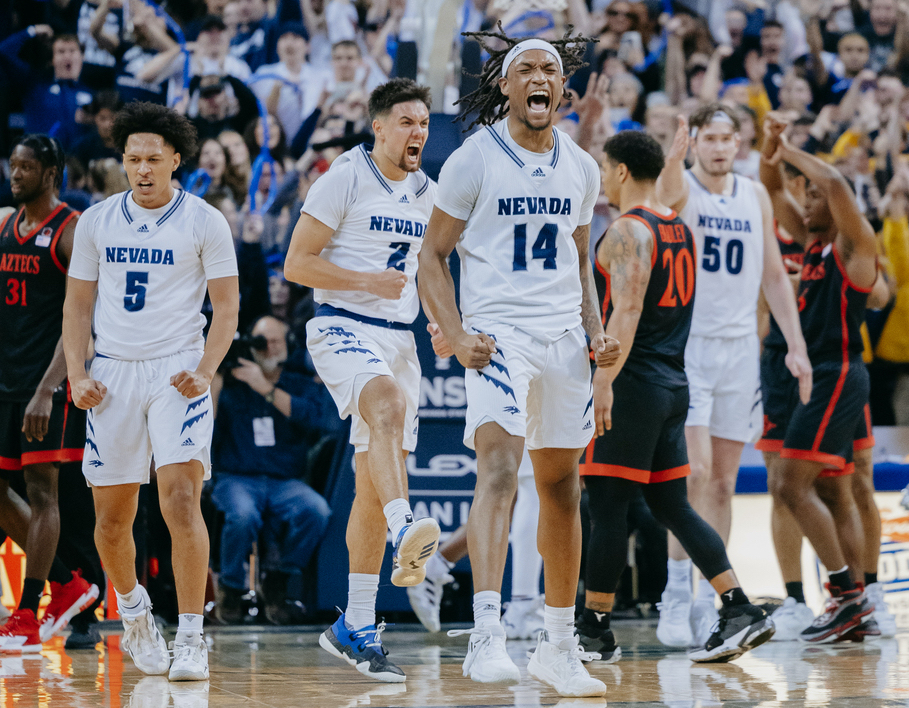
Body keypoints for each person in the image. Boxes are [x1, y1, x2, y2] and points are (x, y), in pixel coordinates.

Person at [418, 31, 619, 698]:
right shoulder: (473, 159)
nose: (538, 77)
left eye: (550, 71)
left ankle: (558, 647)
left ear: (564, 91)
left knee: (562, 489)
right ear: (504, 85)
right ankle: (485, 636)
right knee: (500, 471)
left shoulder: (582, 166)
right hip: (501, 336)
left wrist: (595, 335)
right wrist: (455, 330)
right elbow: (430, 258)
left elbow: (579, 261)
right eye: (524, 68)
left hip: (564, 336)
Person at [577, 126, 775, 665]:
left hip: (633, 385)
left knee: (607, 504)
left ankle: (593, 628)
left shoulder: (628, 229)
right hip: (674, 385)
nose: (600, 177)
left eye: (603, 167)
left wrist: (601, 380)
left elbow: (629, 309)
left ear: (620, 171)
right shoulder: (677, 227)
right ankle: (738, 606)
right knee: (671, 504)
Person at [62, 102, 240, 679]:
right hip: (113, 371)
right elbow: (78, 306)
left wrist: (207, 367)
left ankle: (191, 635)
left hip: (177, 370)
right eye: (133, 159)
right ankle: (135, 610)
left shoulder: (205, 220)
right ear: (123, 161)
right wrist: (77, 373)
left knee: (181, 501)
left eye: (154, 160)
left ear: (176, 160)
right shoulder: (96, 221)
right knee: (112, 521)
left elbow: (229, 307)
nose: (142, 169)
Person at [283, 77, 440, 683]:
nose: (417, 132)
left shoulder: (428, 190)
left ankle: (356, 624)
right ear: (378, 126)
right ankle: (408, 526)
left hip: (400, 339)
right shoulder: (344, 176)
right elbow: (298, 263)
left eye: (424, 122)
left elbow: (428, 268)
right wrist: (363, 283)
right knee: (387, 405)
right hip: (342, 324)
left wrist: (442, 325)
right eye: (406, 121)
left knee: (370, 480)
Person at [654, 102, 811, 648]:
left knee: (723, 481)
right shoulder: (683, 187)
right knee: (692, 473)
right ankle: (673, 595)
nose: (720, 147)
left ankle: (708, 599)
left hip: (741, 347)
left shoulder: (754, 194)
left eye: (728, 138)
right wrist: (674, 157)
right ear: (695, 142)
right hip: (690, 344)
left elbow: (773, 272)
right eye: (710, 138)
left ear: (738, 144)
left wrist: (795, 345)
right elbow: (666, 196)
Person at [759, 112, 879, 642]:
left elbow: (831, 182)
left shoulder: (855, 247)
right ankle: (854, 602)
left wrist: (788, 146)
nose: (803, 200)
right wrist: (770, 147)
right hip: (817, 377)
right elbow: (769, 185)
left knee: (789, 482)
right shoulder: (812, 244)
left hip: (837, 374)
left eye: (810, 197)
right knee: (830, 492)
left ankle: (850, 598)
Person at [0, 135, 100, 652]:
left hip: (45, 386)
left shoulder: (71, 230)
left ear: (51, 172)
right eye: (12, 166)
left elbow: (78, 320)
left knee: (43, 492)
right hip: (6, 380)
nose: (14, 175)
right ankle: (67, 584)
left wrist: (48, 388)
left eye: (25, 167)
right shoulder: (4, 224)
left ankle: (27, 611)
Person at [210, 315, 334, 624]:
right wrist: (216, 381)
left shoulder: (299, 382)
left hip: (284, 481)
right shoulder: (231, 381)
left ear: (289, 344)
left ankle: (278, 581)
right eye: (261, 342)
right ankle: (230, 588)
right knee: (242, 515)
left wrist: (265, 388)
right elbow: (206, 427)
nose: (268, 349)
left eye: (275, 341)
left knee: (316, 510)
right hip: (237, 477)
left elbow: (318, 420)